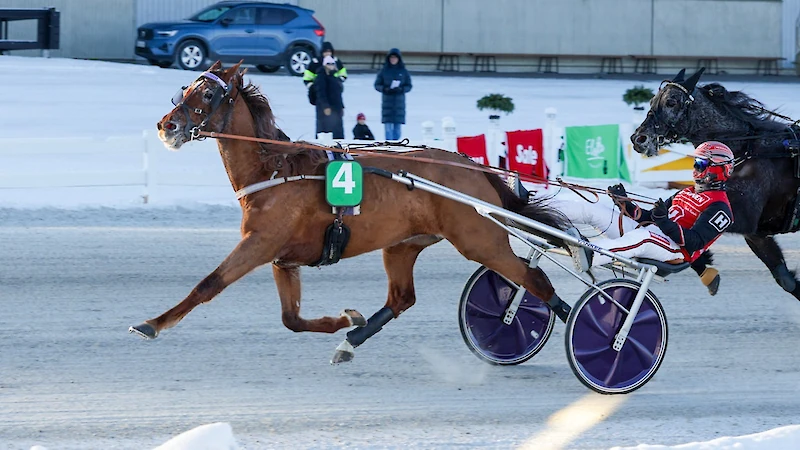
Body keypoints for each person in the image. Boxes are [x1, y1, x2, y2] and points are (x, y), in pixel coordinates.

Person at [566, 141, 734, 295]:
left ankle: (593, 255)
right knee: (594, 210)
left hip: (674, 251)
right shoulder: (685, 192)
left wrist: (663, 221)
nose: (695, 168)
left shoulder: (720, 208)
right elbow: (649, 217)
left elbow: (694, 242)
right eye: (695, 162)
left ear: (717, 169)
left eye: (701, 163)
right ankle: (549, 212)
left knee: (642, 237)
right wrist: (624, 203)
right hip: (651, 233)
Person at [374, 48, 412, 140]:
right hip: (387, 103)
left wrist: (401, 89)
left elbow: (409, 86)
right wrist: (385, 89)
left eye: (395, 58)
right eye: (391, 58)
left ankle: (397, 147)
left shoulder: (403, 71)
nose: (393, 60)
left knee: (397, 129)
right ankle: (388, 147)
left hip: (399, 103)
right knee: (388, 129)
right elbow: (377, 85)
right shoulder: (384, 71)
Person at [304, 42, 347, 106]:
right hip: (319, 88)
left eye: (329, 51)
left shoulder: (336, 61)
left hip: (334, 90)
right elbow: (307, 78)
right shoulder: (315, 63)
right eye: (325, 52)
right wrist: (312, 87)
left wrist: (338, 82)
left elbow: (343, 74)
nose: (327, 53)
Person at [314, 55, 345, 139]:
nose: (331, 65)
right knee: (325, 132)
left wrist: (341, 107)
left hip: (336, 109)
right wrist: (325, 106)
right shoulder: (321, 77)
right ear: (324, 65)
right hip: (326, 109)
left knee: (337, 133)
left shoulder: (335, 77)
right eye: (328, 64)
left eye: (332, 63)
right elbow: (321, 94)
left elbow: (338, 95)